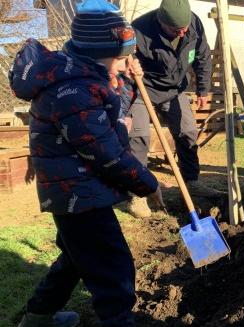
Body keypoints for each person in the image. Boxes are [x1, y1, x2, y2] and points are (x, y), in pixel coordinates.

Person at [9, 0, 164, 325]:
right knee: (115, 272)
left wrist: (127, 84)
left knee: (74, 260)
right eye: (121, 58)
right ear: (97, 52)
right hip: (80, 198)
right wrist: (147, 184)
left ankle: (36, 318)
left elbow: (110, 109)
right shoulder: (73, 91)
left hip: (76, 195)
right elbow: (106, 153)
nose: (125, 65)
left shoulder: (81, 76)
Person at [127, 0, 212, 217]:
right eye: (176, 30)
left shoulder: (193, 24)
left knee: (188, 132)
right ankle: (137, 195)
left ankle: (191, 181)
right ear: (161, 21)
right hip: (142, 88)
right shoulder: (139, 30)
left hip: (175, 89)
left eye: (185, 27)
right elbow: (125, 64)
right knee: (139, 137)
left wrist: (203, 89)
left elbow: (203, 56)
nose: (183, 33)